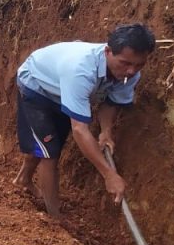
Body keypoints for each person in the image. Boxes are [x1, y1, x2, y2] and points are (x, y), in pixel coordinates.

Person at [13, 23, 157, 219]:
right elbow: (80, 129)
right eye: (125, 63)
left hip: (63, 92)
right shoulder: (81, 70)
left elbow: (110, 102)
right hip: (36, 87)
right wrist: (109, 175)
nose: (131, 71)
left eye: (139, 65)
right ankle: (54, 219)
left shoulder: (129, 73)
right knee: (50, 153)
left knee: (45, 144)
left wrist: (106, 131)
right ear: (108, 52)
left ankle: (23, 180)